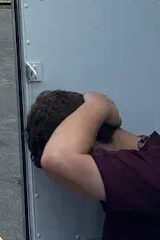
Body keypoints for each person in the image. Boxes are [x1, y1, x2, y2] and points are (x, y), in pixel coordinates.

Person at [25, 89, 160, 239]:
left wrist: (98, 105)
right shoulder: (144, 162)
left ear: (91, 147)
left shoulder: (150, 170)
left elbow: (57, 158)